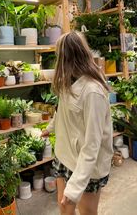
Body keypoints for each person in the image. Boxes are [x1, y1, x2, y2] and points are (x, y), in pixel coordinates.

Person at [41, 31, 113, 215]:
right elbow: (61, 110)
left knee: (86, 211)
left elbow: (92, 145)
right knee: (64, 206)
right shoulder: (68, 80)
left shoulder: (92, 91)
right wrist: (50, 128)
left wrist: (74, 189)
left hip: (86, 165)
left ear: (67, 57)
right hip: (65, 155)